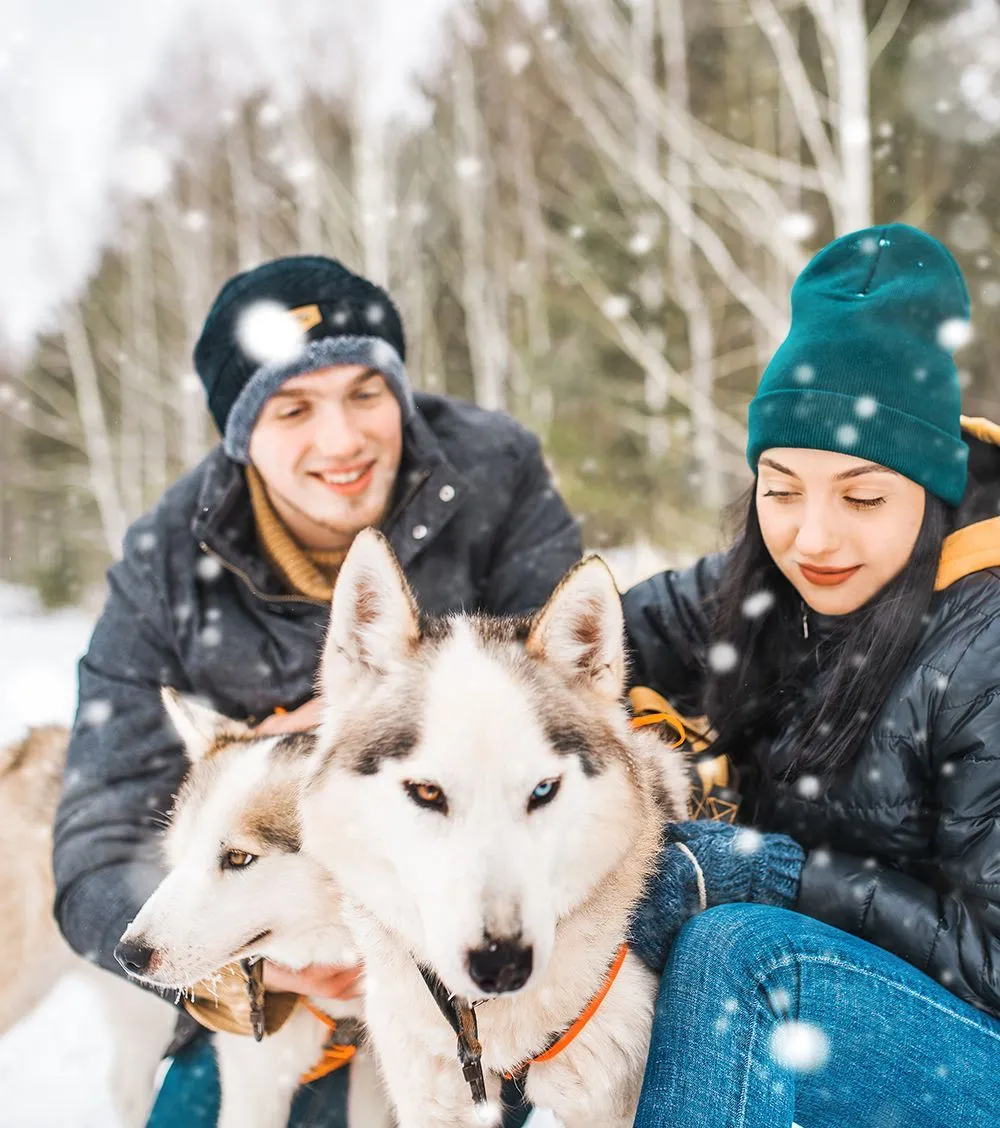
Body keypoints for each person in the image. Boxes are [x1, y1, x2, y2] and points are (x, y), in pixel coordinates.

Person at [52, 255, 581, 1127]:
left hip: (467, 940)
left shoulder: (495, 473)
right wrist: (259, 970)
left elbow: (559, 712)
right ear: (241, 433)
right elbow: (98, 835)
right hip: (271, 960)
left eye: (367, 393)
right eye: (293, 408)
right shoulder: (166, 563)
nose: (341, 441)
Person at [625, 224, 1000, 1128]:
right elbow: (576, 650)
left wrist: (780, 875)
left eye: (862, 496)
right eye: (783, 488)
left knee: (738, 954)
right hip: (856, 1012)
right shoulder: (762, 583)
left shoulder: (985, 646)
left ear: (932, 492)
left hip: (976, 1049)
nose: (815, 538)